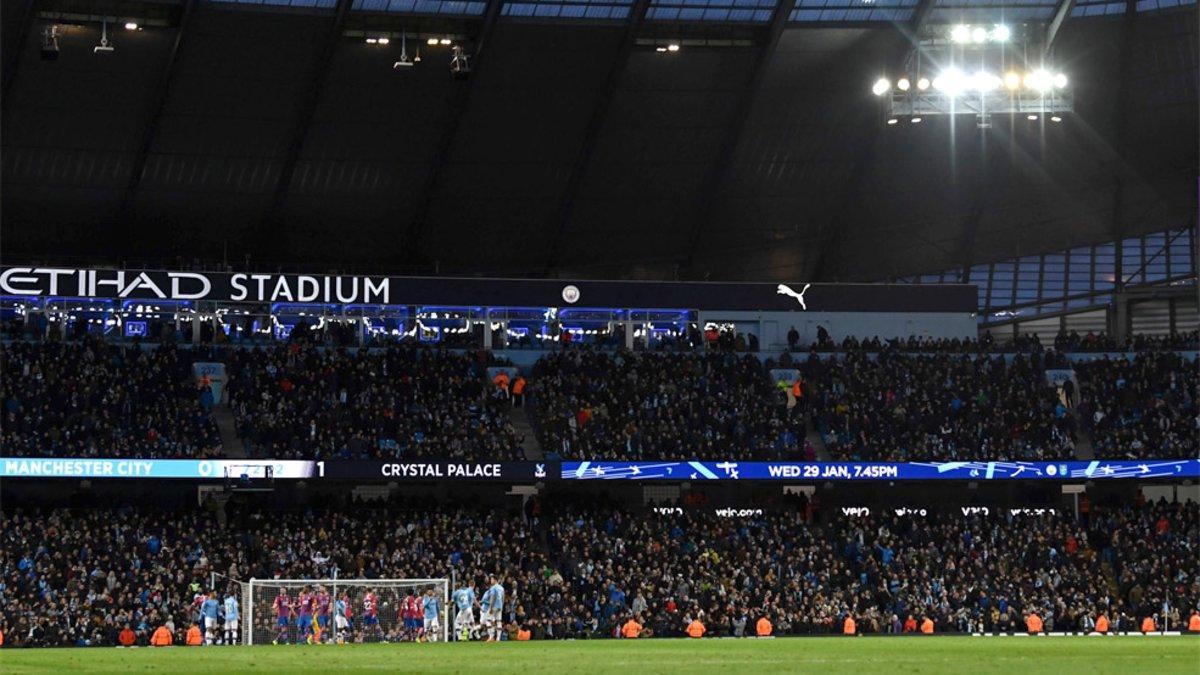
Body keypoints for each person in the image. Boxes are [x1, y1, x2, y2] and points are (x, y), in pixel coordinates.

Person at [481, 576, 506, 642]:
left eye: (491, 579)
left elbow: (493, 597)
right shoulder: (501, 588)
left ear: (495, 580)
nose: (490, 581)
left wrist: (491, 607)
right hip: (500, 606)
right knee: (498, 621)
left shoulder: (493, 588)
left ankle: (491, 637)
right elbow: (503, 598)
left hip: (494, 606)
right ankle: (498, 638)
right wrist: (502, 606)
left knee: (488, 620)